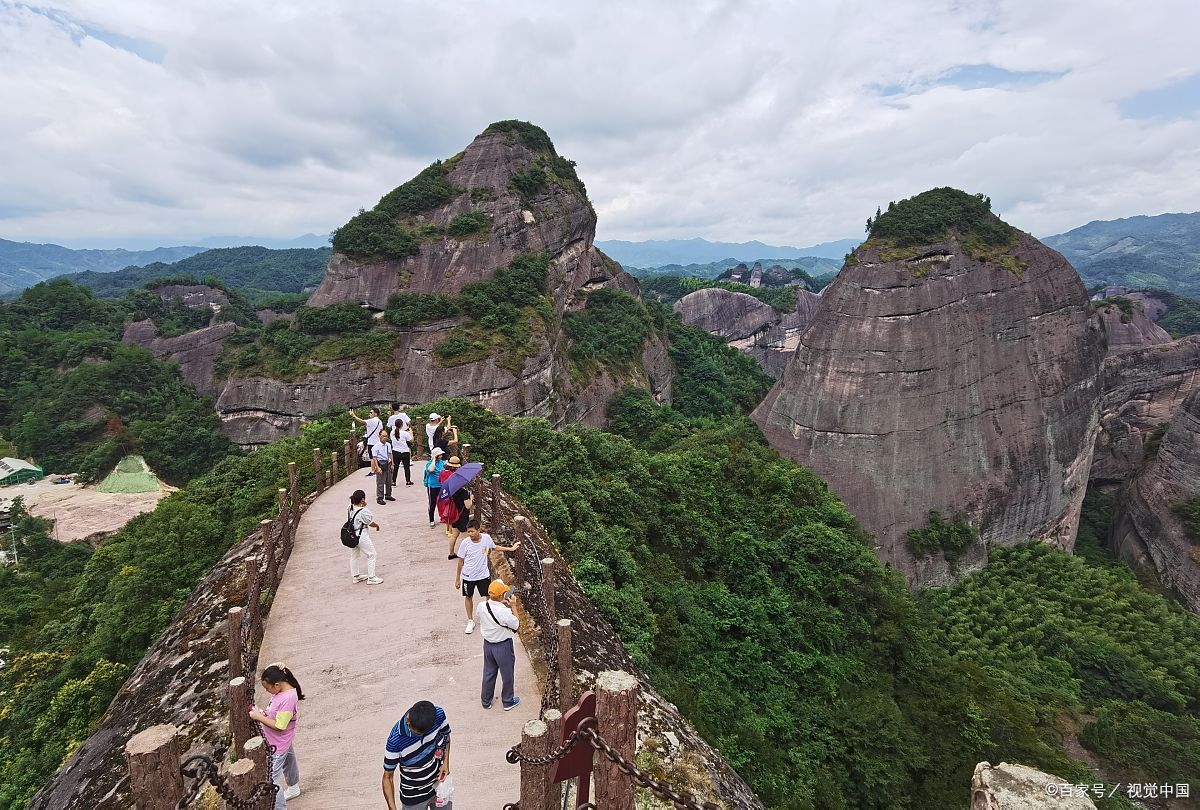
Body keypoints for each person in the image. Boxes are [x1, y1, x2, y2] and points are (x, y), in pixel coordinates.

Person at [248, 663, 305, 807]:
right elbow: (276, 714)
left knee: (271, 779)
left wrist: (258, 717)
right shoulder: (282, 690)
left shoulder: (287, 699)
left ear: (277, 685)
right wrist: (263, 713)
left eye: (268, 688)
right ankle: (293, 787)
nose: (267, 691)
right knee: (289, 760)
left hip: (278, 744)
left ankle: (279, 807)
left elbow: (280, 726)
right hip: (284, 740)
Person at [382, 700, 452, 810]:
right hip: (413, 797)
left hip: (440, 786)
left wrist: (446, 763)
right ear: (408, 718)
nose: (412, 732)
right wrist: (392, 808)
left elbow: (446, 736)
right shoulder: (395, 740)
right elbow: (387, 777)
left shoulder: (438, 715)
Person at [455, 524, 520, 635]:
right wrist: (458, 578)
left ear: (478, 530)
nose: (470, 534)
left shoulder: (486, 538)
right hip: (468, 576)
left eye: (472, 531)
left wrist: (511, 548)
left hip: (483, 575)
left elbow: (494, 547)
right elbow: (461, 561)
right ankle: (470, 620)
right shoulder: (465, 543)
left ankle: (489, 615)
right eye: (468, 532)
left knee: (489, 595)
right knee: (468, 596)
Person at [476, 580, 522, 711]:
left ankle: (486, 701)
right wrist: (513, 606)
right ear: (502, 596)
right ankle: (507, 701)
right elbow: (516, 625)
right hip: (503, 647)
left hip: (488, 645)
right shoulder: (504, 613)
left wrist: (500, 604)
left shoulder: (481, 606)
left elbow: (483, 613)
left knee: (489, 673)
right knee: (507, 674)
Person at [438, 456, 472, 558]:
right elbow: (468, 505)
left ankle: (451, 553)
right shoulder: (463, 492)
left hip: (454, 514)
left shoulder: (450, 490)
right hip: (462, 516)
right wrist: (471, 498)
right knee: (465, 537)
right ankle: (466, 555)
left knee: (454, 535)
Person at [348, 489, 383, 584]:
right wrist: (377, 526)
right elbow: (370, 522)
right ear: (362, 499)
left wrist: (362, 504)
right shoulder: (363, 511)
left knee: (354, 555)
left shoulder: (350, 507)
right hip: (361, 535)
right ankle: (371, 577)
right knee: (372, 554)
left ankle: (356, 576)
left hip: (352, 535)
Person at [350, 407, 384, 472]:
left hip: (371, 442)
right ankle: (377, 469)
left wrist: (353, 416)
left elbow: (362, 421)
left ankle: (373, 471)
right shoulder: (380, 421)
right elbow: (381, 431)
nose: (370, 413)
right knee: (376, 456)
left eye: (371, 412)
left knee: (372, 457)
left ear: (375, 414)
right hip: (377, 441)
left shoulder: (372, 421)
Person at [423, 448, 446, 528]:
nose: (441, 456)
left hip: (441, 485)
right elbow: (431, 469)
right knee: (432, 503)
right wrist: (433, 460)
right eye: (439, 455)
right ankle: (431, 520)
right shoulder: (429, 464)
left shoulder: (442, 463)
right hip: (433, 486)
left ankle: (443, 517)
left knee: (443, 502)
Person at [372, 429, 395, 505]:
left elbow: (390, 454)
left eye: (386, 436)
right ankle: (380, 497)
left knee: (389, 481)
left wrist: (392, 464)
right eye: (383, 436)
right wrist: (377, 467)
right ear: (379, 436)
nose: (385, 438)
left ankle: (388, 495)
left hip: (388, 463)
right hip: (380, 464)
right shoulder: (376, 446)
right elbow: (374, 458)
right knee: (380, 482)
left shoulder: (388, 444)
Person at [390, 417, 414, 487]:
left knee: (395, 467)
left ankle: (393, 482)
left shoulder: (392, 432)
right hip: (405, 452)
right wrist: (411, 433)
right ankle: (408, 481)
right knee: (406, 467)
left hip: (395, 452)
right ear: (402, 425)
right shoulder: (405, 433)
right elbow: (411, 441)